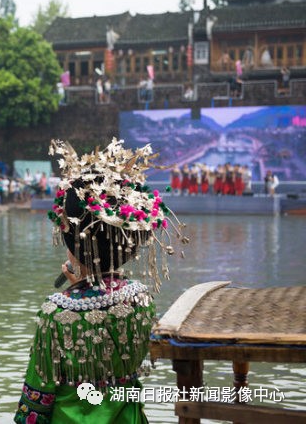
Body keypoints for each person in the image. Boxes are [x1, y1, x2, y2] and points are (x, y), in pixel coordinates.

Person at [14, 138, 188, 423]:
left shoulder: (55, 313)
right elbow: (138, 365)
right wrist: (83, 284)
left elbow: (37, 402)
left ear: (72, 241)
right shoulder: (141, 300)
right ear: (127, 245)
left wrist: (76, 289)